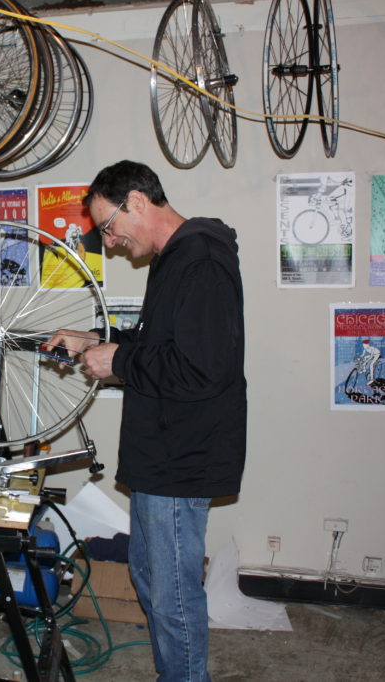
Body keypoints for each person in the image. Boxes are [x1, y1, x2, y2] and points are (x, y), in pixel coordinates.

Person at [46, 160, 246, 682]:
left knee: (171, 593)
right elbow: (164, 349)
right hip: (162, 455)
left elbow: (202, 369)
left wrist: (118, 362)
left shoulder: (199, 260)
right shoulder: (174, 259)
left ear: (137, 201)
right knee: (152, 578)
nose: (108, 243)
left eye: (108, 226)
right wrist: (98, 342)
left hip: (181, 458)